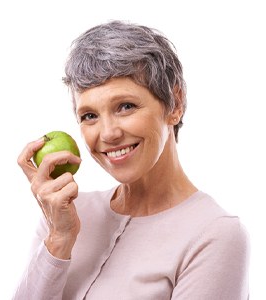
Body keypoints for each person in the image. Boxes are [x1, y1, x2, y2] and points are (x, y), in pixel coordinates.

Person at [14, 20, 250, 299]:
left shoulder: (214, 235)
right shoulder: (65, 214)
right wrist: (59, 239)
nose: (108, 133)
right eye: (89, 115)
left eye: (125, 106)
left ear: (175, 104)